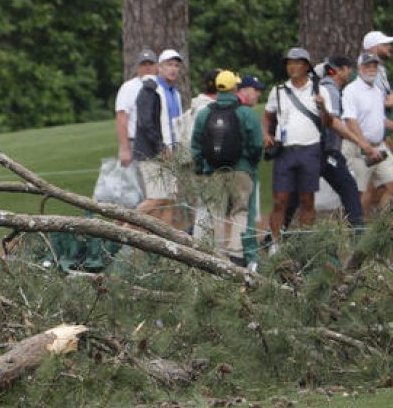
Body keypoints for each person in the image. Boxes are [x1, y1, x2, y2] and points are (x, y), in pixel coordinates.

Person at [190, 71, 264, 268]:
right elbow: (257, 144)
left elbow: (196, 145)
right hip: (241, 170)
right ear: (234, 88)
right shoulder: (246, 112)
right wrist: (250, 163)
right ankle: (237, 255)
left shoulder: (205, 113)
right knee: (240, 211)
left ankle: (217, 254)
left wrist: (201, 168)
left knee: (216, 212)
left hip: (213, 171)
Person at [263, 48, 332, 248]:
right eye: (289, 63)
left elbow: (328, 122)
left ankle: (305, 244)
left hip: (310, 150)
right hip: (284, 151)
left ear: (306, 66)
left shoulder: (319, 90)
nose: (292, 66)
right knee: (279, 200)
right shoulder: (278, 91)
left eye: (297, 62)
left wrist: (324, 107)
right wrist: (266, 134)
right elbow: (267, 116)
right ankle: (276, 245)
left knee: (307, 199)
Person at [287, 56, 364, 227]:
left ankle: (272, 237)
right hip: (324, 152)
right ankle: (359, 233)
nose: (351, 72)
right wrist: (359, 141)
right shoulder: (331, 90)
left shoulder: (319, 88)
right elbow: (333, 123)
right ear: (340, 70)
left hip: (316, 152)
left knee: (296, 197)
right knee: (348, 189)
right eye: (348, 69)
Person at [133, 49, 184, 225]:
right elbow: (146, 123)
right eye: (169, 65)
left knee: (169, 199)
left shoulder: (175, 93)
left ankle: (162, 244)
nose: (173, 69)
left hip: (170, 152)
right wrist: (161, 146)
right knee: (157, 197)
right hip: (152, 152)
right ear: (159, 68)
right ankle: (123, 227)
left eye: (177, 65)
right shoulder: (151, 90)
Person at [342, 52, 393, 214]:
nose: (371, 69)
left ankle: (381, 228)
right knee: (360, 193)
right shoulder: (351, 90)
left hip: (379, 147)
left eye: (374, 65)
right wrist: (365, 144)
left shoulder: (378, 91)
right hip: (358, 148)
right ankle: (356, 233)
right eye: (367, 65)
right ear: (359, 68)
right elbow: (350, 120)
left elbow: (379, 119)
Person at [114, 49, 158, 167]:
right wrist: (124, 147)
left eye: (151, 64)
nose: (147, 68)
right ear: (138, 68)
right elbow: (121, 117)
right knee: (136, 183)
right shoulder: (129, 87)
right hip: (135, 142)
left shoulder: (160, 87)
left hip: (157, 143)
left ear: (157, 66)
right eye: (144, 64)